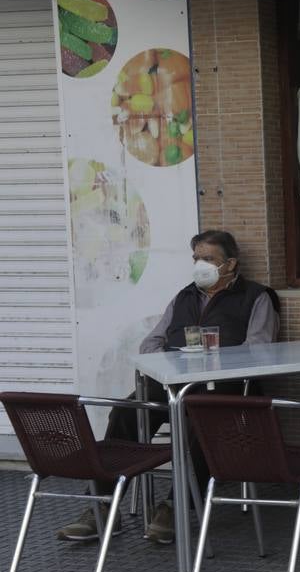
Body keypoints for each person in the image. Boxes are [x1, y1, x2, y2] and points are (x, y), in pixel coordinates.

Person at [56, 230, 280, 545]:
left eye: (209, 259)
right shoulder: (184, 296)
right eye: (197, 259)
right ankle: (102, 506)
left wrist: (213, 359)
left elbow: (261, 350)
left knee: (200, 421)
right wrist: (169, 363)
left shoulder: (257, 297)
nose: (201, 265)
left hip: (226, 389)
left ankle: (176, 507)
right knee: (125, 412)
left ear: (230, 264)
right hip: (174, 384)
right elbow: (153, 341)